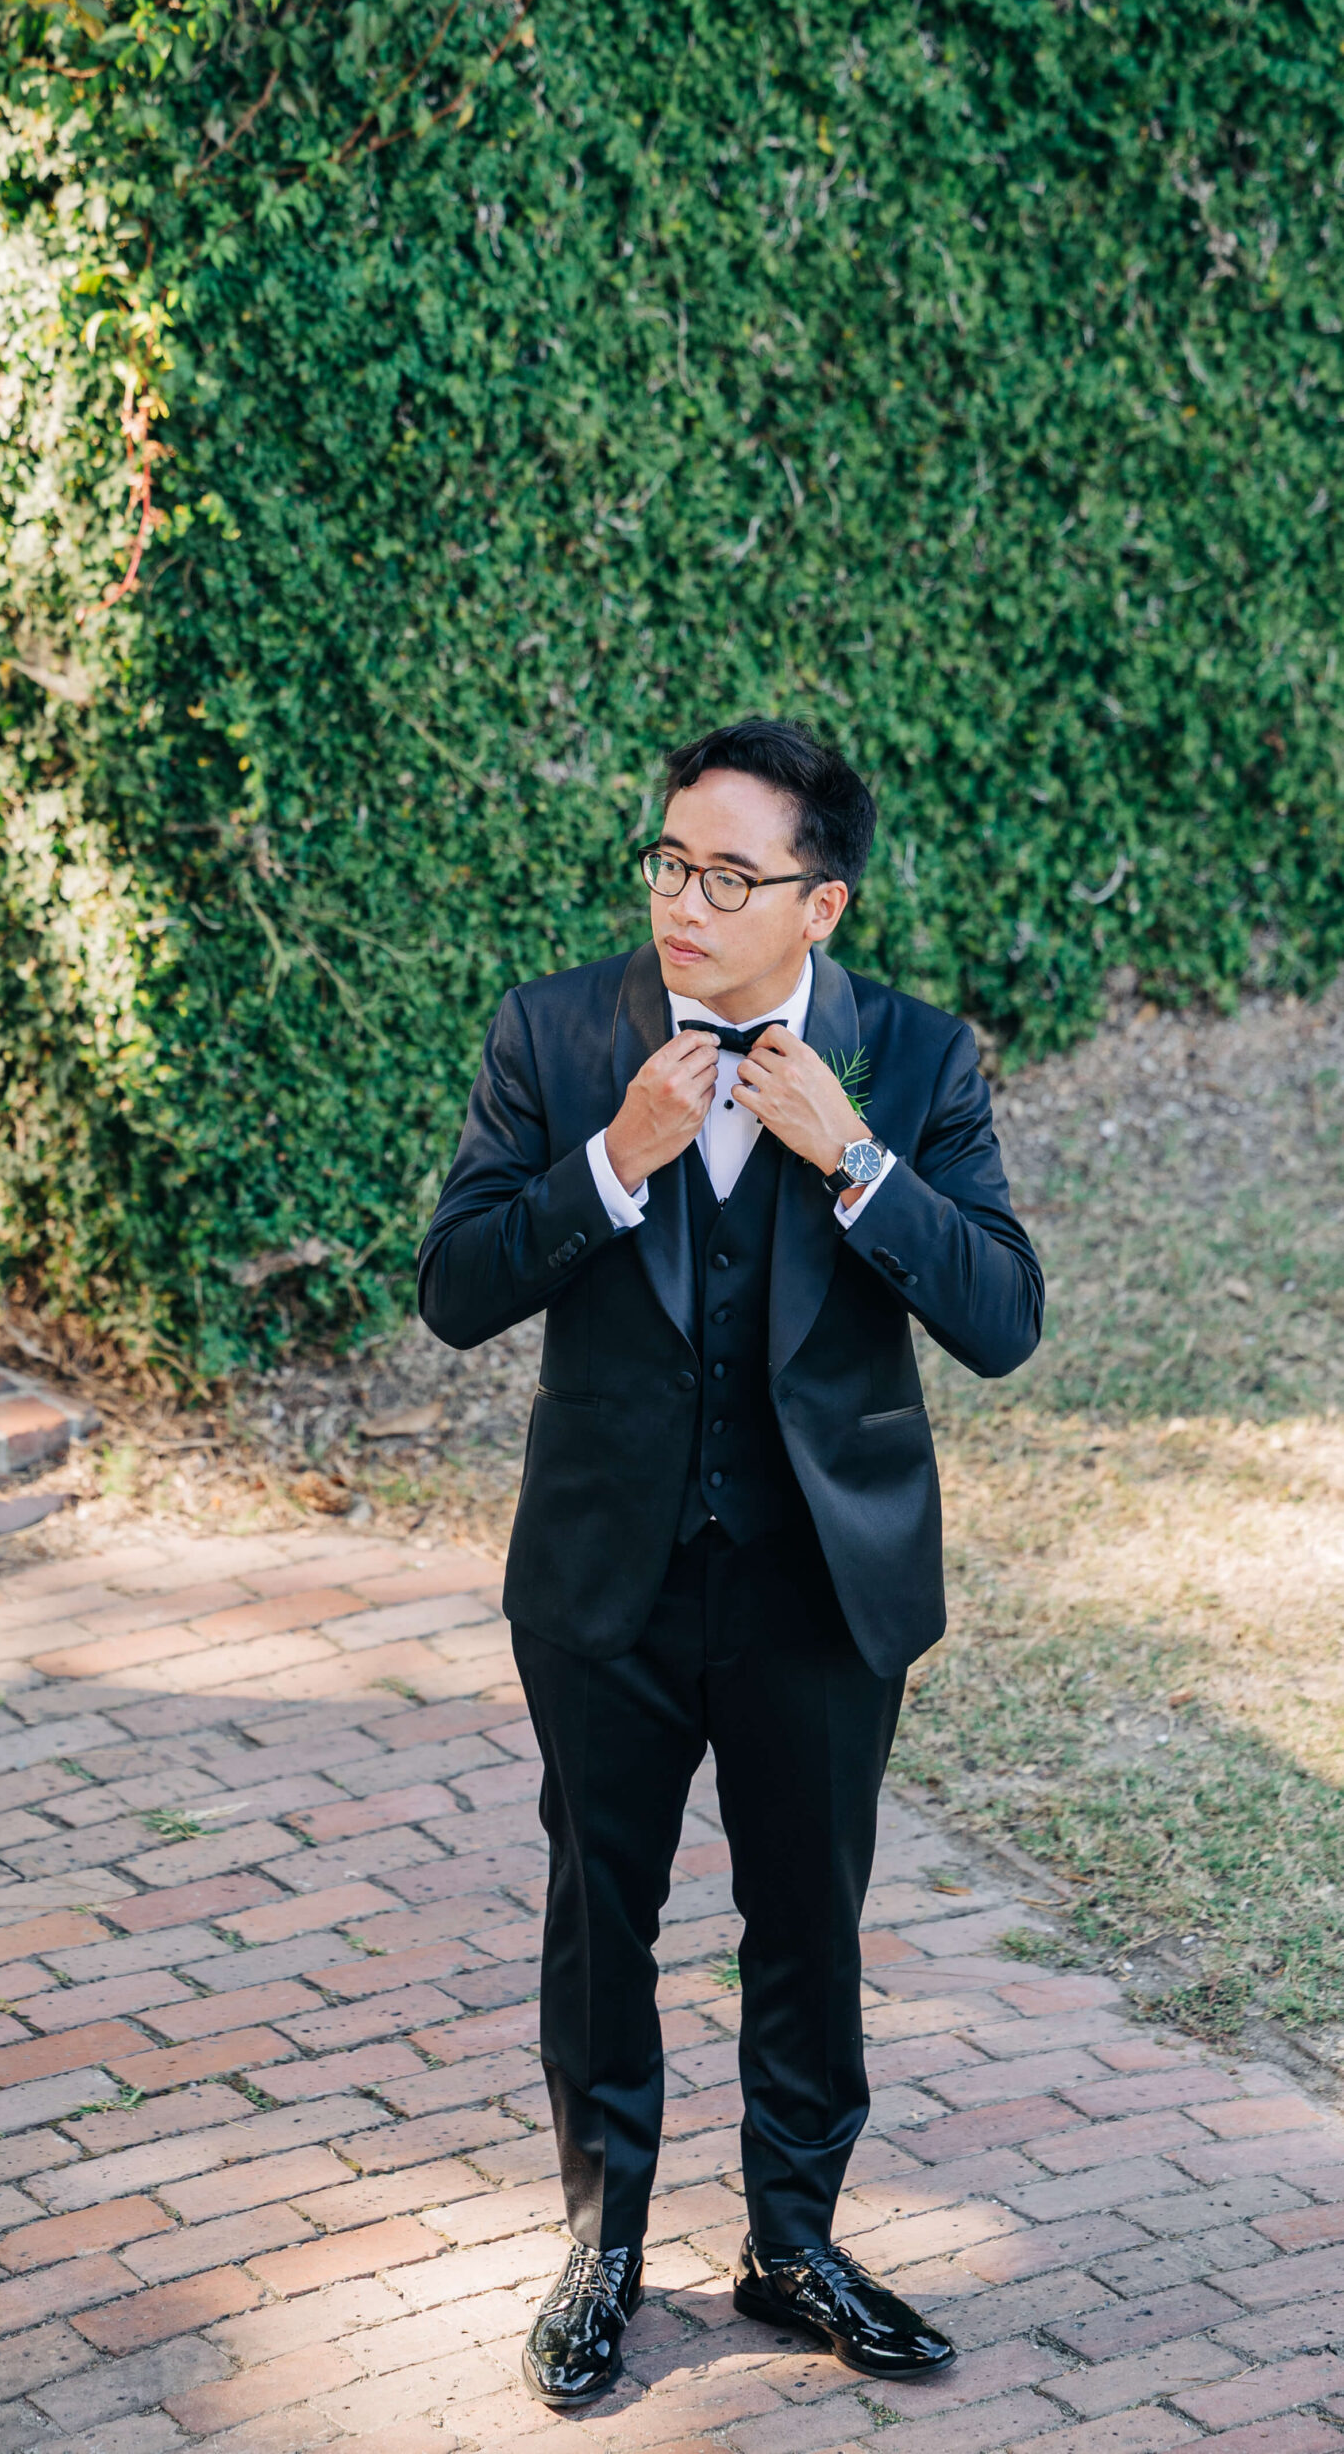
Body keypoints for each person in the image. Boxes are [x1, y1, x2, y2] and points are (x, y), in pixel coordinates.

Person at [418, 717, 1043, 2410]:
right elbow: (456, 1285)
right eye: (669, 862)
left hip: (817, 1586)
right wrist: (611, 1160)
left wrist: (853, 1155)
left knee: (807, 1922)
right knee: (598, 1917)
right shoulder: (555, 1033)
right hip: (604, 1572)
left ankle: (793, 2243)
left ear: (817, 907)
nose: (683, 903)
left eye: (729, 876)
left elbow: (1000, 1319)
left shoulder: (913, 1060)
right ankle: (600, 2250)